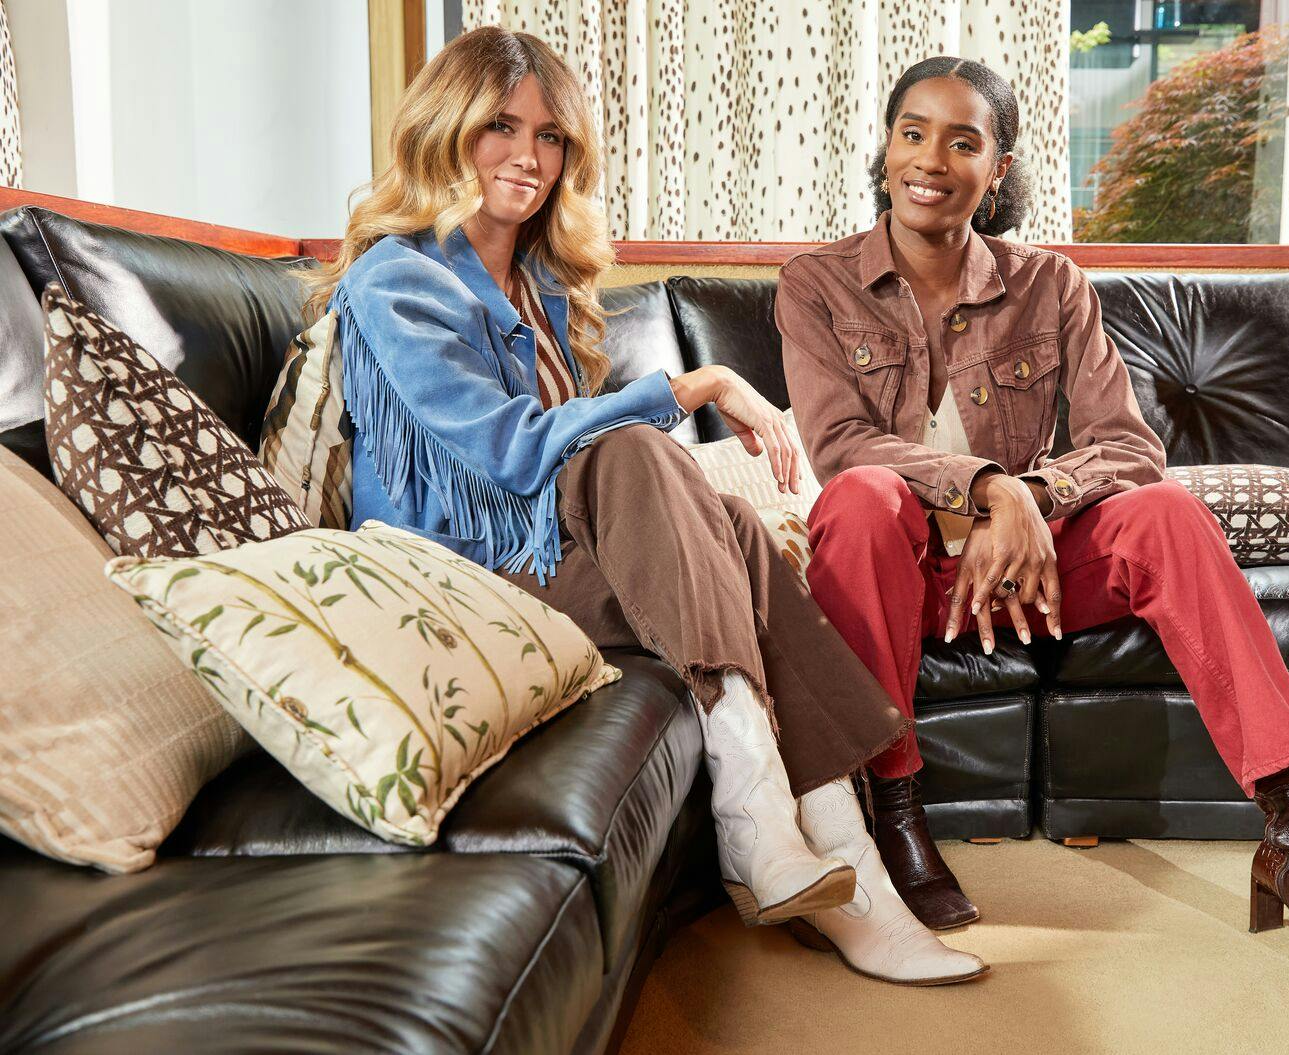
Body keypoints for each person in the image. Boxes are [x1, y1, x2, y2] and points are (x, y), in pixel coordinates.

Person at [302, 28, 987, 986]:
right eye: (500, 126)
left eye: (550, 137)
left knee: (739, 528)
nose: (528, 157)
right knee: (635, 448)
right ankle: (788, 837)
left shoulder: (535, 283)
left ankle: (836, 855)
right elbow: (507, 451)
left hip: (535, 552)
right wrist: (693, 384)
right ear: (445, 127)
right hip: (457, 568)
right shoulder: (396, 279)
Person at [776, 55, 1289, 997]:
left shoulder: (1053, 285)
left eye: (965, 141)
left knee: (1165, 511)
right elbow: (841, 445)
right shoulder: (815, 285)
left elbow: (1131, 448)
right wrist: (993, 485)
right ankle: (895, 816)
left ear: (997, 169)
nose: (932, 159)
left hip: (1027, 579)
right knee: (862, 500)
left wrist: (1034, 503)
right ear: (884, 148)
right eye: (913, 132)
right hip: (897, 580)